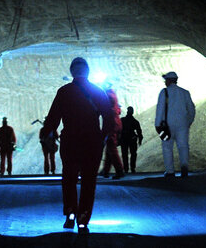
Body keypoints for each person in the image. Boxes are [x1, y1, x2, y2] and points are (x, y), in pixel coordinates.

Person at [42, 57, 115, 234]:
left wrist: (47, 135)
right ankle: (83, 220)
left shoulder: (64, 92)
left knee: (69, 178)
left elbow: (53, 119)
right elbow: (108, 118)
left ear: (72, 72)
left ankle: (71, 213)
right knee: (89, 181)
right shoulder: (98, 91)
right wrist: (103, 137)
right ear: (88, 71)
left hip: (71, 141)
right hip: (91, 141)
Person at [155, 71, 196, 178]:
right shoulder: (185, 93)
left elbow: (160, 110)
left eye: (166, 80)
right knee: (183, 146)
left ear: (169, 80)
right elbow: (191, 109)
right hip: (182, 125)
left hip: (167, 125)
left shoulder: (164, 92)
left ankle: (170, 171)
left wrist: (157, 125)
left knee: (167, 147)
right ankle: (184, 168)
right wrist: (188, 122)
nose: (165, 82)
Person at [99, 85, 124, 179]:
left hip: (111, 124)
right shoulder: (112, 95)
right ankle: (105, 171)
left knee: (112, 149)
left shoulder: (108, 96)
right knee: (109, 149)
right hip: (115, 123)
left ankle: (119, 170)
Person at [120, 106, 143, 173]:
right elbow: (139, 132)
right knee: (132, 154)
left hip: (124, 139)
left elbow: (118, 130)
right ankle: (132, 168)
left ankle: (126, 169)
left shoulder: (122, 120)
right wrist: (140, 139)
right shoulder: (135, 121)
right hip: (131, 139)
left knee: (125, 154)